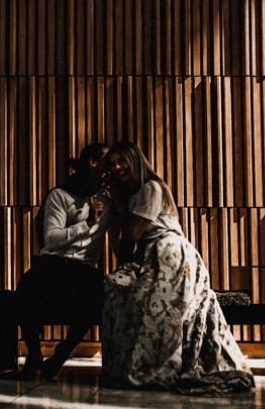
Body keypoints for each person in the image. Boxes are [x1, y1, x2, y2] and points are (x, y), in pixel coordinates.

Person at [100, 141, 254, 395]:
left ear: (135, 160)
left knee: (145, 301)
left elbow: (132, 234)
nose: (117, 167)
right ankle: (132, 363)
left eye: (122, 161)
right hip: (150, 256)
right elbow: (124, 248)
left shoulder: (151, 188)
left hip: (169, 255)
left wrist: (116, 201)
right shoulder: (133, 195)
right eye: (113, 163)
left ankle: (156, 365)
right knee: (116, 289)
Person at [14, 142, 114, 380]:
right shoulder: (59, 195)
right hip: (53, 265)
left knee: (97, 296)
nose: (111, 169)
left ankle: (61, 355)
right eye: (106, 163)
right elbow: (51, 238)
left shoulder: (109, 199)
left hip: (84, 270)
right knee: (26, 288)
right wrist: (86, 224)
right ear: (92, 162)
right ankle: (34, 353)